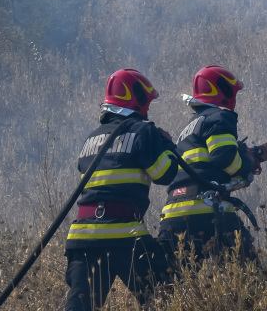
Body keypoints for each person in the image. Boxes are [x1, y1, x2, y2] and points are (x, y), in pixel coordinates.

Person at [64, 68, 180, 311]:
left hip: (83, 240)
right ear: (138, 101)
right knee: (166, 296)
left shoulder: (90, 139)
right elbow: (164, 174)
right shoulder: (143, 131)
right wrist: (167, 145)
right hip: (125, 236)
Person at [157, 65, 267, 260]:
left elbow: (206, 162)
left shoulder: (188, 129)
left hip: (173, 215)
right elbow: (225, 159)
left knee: (173, 284)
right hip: (208, 209)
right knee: (248, 278)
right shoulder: (219, 117)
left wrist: (253, 154)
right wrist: (250, 162)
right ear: (223, 91)